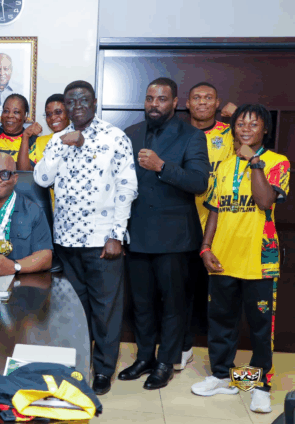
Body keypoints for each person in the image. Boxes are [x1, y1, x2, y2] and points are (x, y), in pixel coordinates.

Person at [34, 81, 138, 395]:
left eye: (83, 100)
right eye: (71, 101)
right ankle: (80, 364)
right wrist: (61, 145)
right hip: (66, 242)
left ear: (94, 102)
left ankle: (103, 371)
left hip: (102, 241)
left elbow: (127, 187)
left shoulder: (114, 137)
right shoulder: (57, 139)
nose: (77, 105)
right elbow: (42, 178)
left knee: (106, 311)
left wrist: (116, 235)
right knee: (75, 311)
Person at [191, 104, 289, 414]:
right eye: (240, 124)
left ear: (265, 129)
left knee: (260, 328)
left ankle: (259, 386)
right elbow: (215, 210)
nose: (245, 129)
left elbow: (265, 200)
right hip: (223, 258)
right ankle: (223, 377)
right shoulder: (223, 166)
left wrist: (254, 162)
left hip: (260, 259)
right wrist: (206, 247)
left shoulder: (278, 162)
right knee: (221, 324)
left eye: (253, 124)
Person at [118, 77, 209, 390]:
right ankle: (144, 358)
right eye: (149, 98)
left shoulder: (192, 135)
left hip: (174, 238)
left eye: (161, 99)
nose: (154, 105)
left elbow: (199, 182)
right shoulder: (131, 133)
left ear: (175, 102)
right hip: (137, 234)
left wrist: (162, 166)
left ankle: (165, 363)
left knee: (173, 305)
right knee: (141, 304)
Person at [177, 82, 236, 371]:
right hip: (183, 224)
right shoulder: (178, 132)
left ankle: (223, 366)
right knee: (182, 292)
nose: (202, 102)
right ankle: (184, 347)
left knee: (222, 298)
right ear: (187, 104)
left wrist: (238, 116)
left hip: (222, 226)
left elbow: (255, 152)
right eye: (196, 98)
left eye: (208, 97)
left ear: (217, 103)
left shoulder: (231, 133)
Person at [17, 93, 70, 172]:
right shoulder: (41, 142)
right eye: (48, 114)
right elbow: (24, 172)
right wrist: (25, 136)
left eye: (58, 112)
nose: (53, 117)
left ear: (69, 112)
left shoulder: (81, 138)